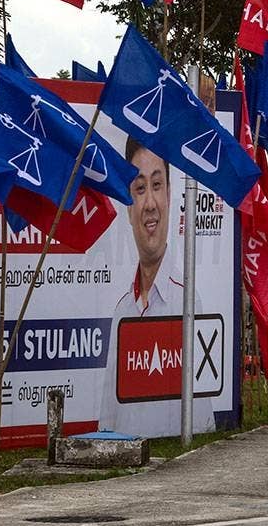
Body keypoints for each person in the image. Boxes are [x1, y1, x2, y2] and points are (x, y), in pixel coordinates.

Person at [98, 137, 215, 438]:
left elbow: (201, 428)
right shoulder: (122, 311)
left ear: (170, 194)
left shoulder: (187, 303)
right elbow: (108, 422)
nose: (149, 203)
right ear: (128, 204)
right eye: (139, 188)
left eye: (157, 185)